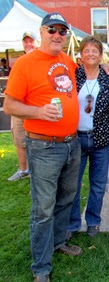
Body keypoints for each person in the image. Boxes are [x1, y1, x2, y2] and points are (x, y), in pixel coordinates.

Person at [4, 12, 82, 282]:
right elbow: (9, 106)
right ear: (42, 32)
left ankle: (58, 241)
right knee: (43, 209)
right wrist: (38, 111)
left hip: (71, 143)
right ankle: (41, 269)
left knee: (66, 198)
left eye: (63, 31)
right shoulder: (24, 64)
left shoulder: (67, 62)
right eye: (53, 30)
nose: (58, 35)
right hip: (43, 147)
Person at [67, 36, 109, 238]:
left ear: (100, 54)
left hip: (101, 138)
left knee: (97, 184)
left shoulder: (108, 77)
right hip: (76, 137)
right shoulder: (72, 74)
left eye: (94, 50)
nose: (90, 54)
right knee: (73, 184)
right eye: (86, 50)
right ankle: (72, 223)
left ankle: (93, 221)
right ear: (80, 54)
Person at [8, 31, 38, 181]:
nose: (28, 44)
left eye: (31, 41)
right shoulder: (20, 62)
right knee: (19, 138)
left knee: (36, 141)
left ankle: (35, 171)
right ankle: (23, 169)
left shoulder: (41, 60)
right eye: (25, 42)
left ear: (37, 42)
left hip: (35, 108)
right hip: (19, 106)